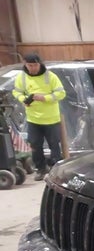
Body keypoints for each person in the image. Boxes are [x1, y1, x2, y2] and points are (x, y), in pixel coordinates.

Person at [12, 52, 66, 180]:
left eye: (35, 65)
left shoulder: (50, 76)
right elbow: (16, 91)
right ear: (25, 64)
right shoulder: (22, 77)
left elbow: (61, 93)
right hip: (33, 119)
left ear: (40, 63)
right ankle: (41, 169)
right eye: (30, 65)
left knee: (54, 145)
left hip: (51, 119)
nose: (32, 68)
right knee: (35, 145)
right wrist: (23, 99)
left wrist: (44, 98)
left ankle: (55, 170)